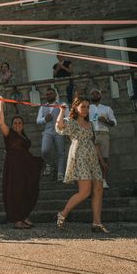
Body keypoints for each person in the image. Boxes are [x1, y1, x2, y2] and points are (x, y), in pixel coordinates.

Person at [55, 96, 108, 233]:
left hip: (92, 158)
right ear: (76, 108)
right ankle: (63, 214)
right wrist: (62, 111)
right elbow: (60, 126)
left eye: (87, 106)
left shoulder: (90, 124)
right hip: (80, 157)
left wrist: (101, 161)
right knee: (85, 192)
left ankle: (97, 222)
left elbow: (94, 143)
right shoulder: (71, 122)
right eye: (83, 106)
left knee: (98, 190)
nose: (85, 109)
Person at [0, 101, 43, 229]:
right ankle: (17, 219)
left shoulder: (24, 136)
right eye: (15, 123)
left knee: (25, 190)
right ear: (12, 125)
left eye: (20, 123)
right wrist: (1, 106)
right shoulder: (9, 134)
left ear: (23, 126)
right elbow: (1, 123)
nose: (17, 125)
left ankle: (24, 215)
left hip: (25, 166)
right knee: (15, 191)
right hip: (13, 166)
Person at [36, 87, 67, 181]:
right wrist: (45, 119)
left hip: (60, 130)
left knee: (61, 152)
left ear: (55, 95)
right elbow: (38, 120)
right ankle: (49, 165)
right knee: (44, 150)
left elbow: (69, 117)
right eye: (47, 94)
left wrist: (62, 120)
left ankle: (60, 173)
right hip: (48, 130)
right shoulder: (43, 106)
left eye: (50, 94)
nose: (48, 95)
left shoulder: (63, 104)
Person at [89, 88, 116, 189]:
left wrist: (105, 121)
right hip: (90, 134)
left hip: (103, 133)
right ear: (90, 96)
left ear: (100, 96)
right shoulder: (87, 108)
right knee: (92, 158)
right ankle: (93, 181)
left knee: (104, 158)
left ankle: (103, 180)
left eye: (97, 93)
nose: (95, 95)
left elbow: (113, 123)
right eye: (92, 93)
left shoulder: (107, 108)